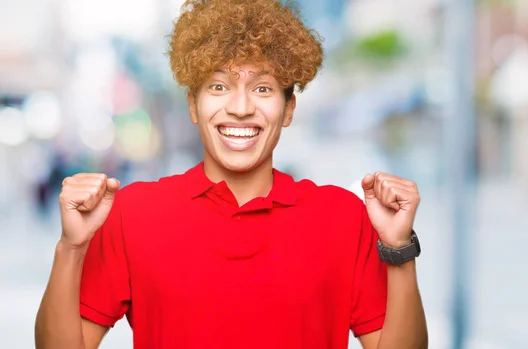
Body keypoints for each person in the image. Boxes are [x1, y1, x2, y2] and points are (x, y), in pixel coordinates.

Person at [34, 0, 428, 348]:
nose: (240, 108)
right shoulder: (132, 213)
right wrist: (70, 248)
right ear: (193, 105)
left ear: (289, 109)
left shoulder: (343, 216)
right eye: (219, 85)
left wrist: (399, 250)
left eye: (262, 89)